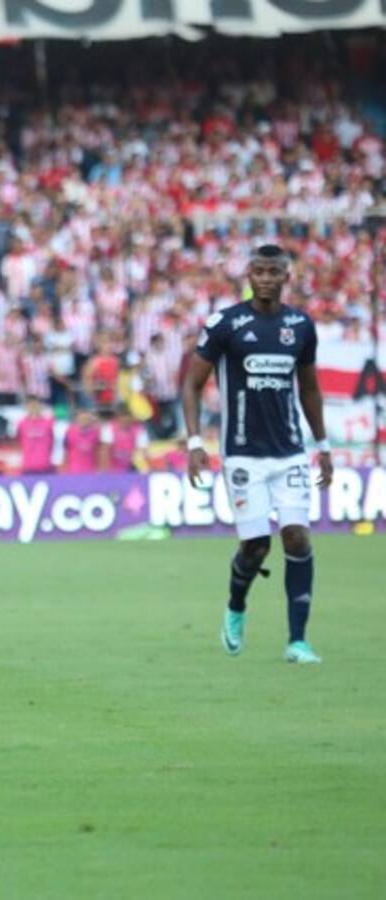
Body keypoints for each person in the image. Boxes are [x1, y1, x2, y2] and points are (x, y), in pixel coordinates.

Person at [182, 244, 333, 664]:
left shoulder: (300, 326)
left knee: (297, 536)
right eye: (259, 271)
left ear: (287, 276)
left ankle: (297, 640)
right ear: (248, 274)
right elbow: (191, 385)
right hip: (243, 455)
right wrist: (195, 444)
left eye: (274, 272)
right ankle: (235, 606)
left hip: (289, 454)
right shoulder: (226, 323)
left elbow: (309, 389)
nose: (266, 278)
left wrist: (322, 447)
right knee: (256, 546)